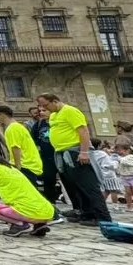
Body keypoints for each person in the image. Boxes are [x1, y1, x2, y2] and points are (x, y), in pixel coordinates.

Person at [36, 93, 112, 225]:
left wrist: (84, 152)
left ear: (55, 101)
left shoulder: (70, 111)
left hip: (75, 152)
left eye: (45, 105)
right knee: (76, 186)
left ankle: (102, 216)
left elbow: (83, 131)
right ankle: (87, 213)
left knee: (88, 185)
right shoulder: (54, 115)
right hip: (62, 153)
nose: (43, 108)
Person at [0, 146, 53, 237]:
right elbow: (13, 188)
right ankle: (39, 225)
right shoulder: (10, 168)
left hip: (26, 212)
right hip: (46, 212)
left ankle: (19, 224)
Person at [28, 106, 61, 203]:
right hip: (46, 157)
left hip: (59, 153)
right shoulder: (38, 125)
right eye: (40, 111)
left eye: (44, 110)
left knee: (68, 180)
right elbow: (32, 139)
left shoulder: (57, 122)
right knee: (48, 180)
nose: (41, 113)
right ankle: (50, 202)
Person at [113, 136, 133, 209]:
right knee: (127, 193)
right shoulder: (120, 158)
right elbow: (117, 167)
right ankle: (129, 206)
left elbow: (129, 163)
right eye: (117, 151)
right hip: (125, 177)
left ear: (127, 150)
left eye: (120, 151)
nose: (119, 152)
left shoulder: (132, 157)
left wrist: (120, 159)